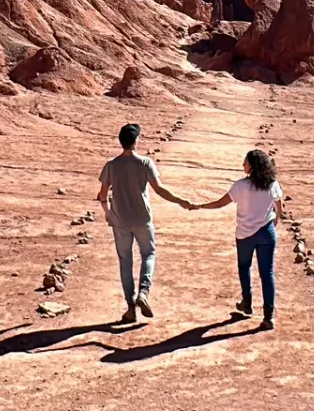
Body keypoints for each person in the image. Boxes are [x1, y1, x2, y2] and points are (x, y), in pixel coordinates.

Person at [181, 149, 284, 330]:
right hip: (266, 233)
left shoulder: (241, 186)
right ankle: (269, 316)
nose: (242, 165)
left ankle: (247, 302)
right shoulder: (271, 184)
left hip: (245, 235)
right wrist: (275, 219)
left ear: (251, 166)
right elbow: (278, 204)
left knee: (244, 267)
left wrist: (200, 206)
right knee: (267, 273)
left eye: (245, 162)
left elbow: (221, 203)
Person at [96, 122, 188, 324]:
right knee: (148, 254)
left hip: (120, 221)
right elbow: (160, 189)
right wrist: (181, 201)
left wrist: (107, 212)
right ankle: (143, 293)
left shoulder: (111, 166)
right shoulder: (145, 163)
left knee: (125, 262)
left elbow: (103, 194)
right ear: (136, 141)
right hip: (142, 219)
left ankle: (130, 308)